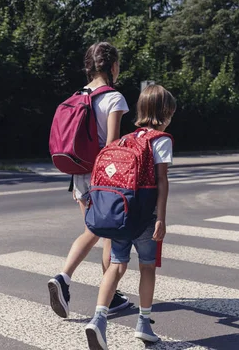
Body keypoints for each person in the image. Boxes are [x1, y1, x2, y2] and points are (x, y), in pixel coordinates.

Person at [85, 84, 176, 350]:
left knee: (116, 266)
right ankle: (144, 324)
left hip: (120, 215)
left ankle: (99, 319)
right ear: (165, 113)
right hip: (145, 217)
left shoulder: (127, 139)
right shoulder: (161, 139)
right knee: (147, 266)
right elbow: (162, 181)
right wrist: (161, 217)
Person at [48, 42, 130, 318]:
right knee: (105, 232)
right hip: (102, 175)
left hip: (78, 175)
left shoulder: (78, 95)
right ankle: (64, 277)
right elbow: (111, 146)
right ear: (114, 67)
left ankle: (111, 296)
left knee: (94, 229)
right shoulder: (114, 99)